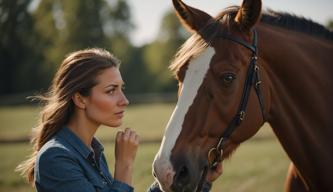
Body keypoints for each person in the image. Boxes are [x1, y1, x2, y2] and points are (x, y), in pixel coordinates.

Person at [16, 48, 222, 192]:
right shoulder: (55, 158)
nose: (124, 100)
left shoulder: (92, 153)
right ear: (80, 99)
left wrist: (200, 183)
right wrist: (124, 164)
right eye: (111, 90)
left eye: (121, 89)